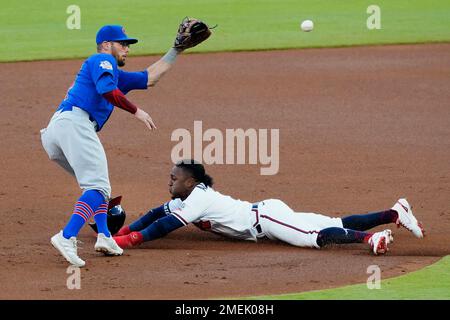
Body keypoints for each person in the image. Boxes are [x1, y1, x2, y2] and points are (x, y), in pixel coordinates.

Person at [41, 22, 211, 267]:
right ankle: (67, 236)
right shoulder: (102, 60)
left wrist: (176, 51)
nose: (127, 49)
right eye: (123, 44)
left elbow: (150, 77)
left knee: (98, 188)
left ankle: (105, 236)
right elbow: (106, 89)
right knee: (98, 187)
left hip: (57, 131)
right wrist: (136, 111)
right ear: (107, 45)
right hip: (75, 124)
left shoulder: (115, 74)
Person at [113, 160, 425, 255]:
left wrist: (126, 242)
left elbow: (164, 227)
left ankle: (370, 239)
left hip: (267, 219)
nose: (170, 184)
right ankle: (394, 212)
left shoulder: (199, 198)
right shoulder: (188, 198)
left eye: (174, 179)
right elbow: (156, 214)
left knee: (314, 238)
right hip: (267, 214)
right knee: (333, 221)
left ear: (191, 182)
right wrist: (123, 231)